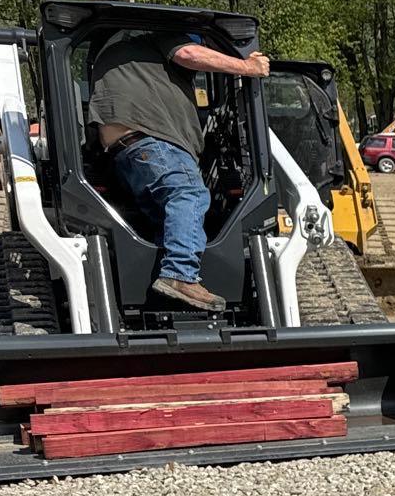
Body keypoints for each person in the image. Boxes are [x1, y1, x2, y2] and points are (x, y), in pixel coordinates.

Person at [87, 30, 271, 311]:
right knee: (190, 195)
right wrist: (248, 68)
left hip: (124, 150)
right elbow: (189, 54)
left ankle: (168, 289)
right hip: (152, 140)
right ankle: (180, 275)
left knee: (165, 218)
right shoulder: (162, 36)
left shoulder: (125, 58)